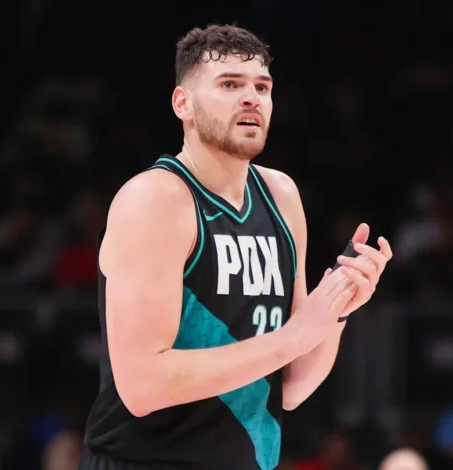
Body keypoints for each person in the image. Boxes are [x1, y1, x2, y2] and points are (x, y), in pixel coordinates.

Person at [79, 24, 393, 470]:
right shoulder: (155, 200)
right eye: (230, 85)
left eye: (262, 87)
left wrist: (336, 311)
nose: (251, 98)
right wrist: (292, 338)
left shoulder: (282, 196)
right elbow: (143, 387)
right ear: (182, 103)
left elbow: (291, 387)